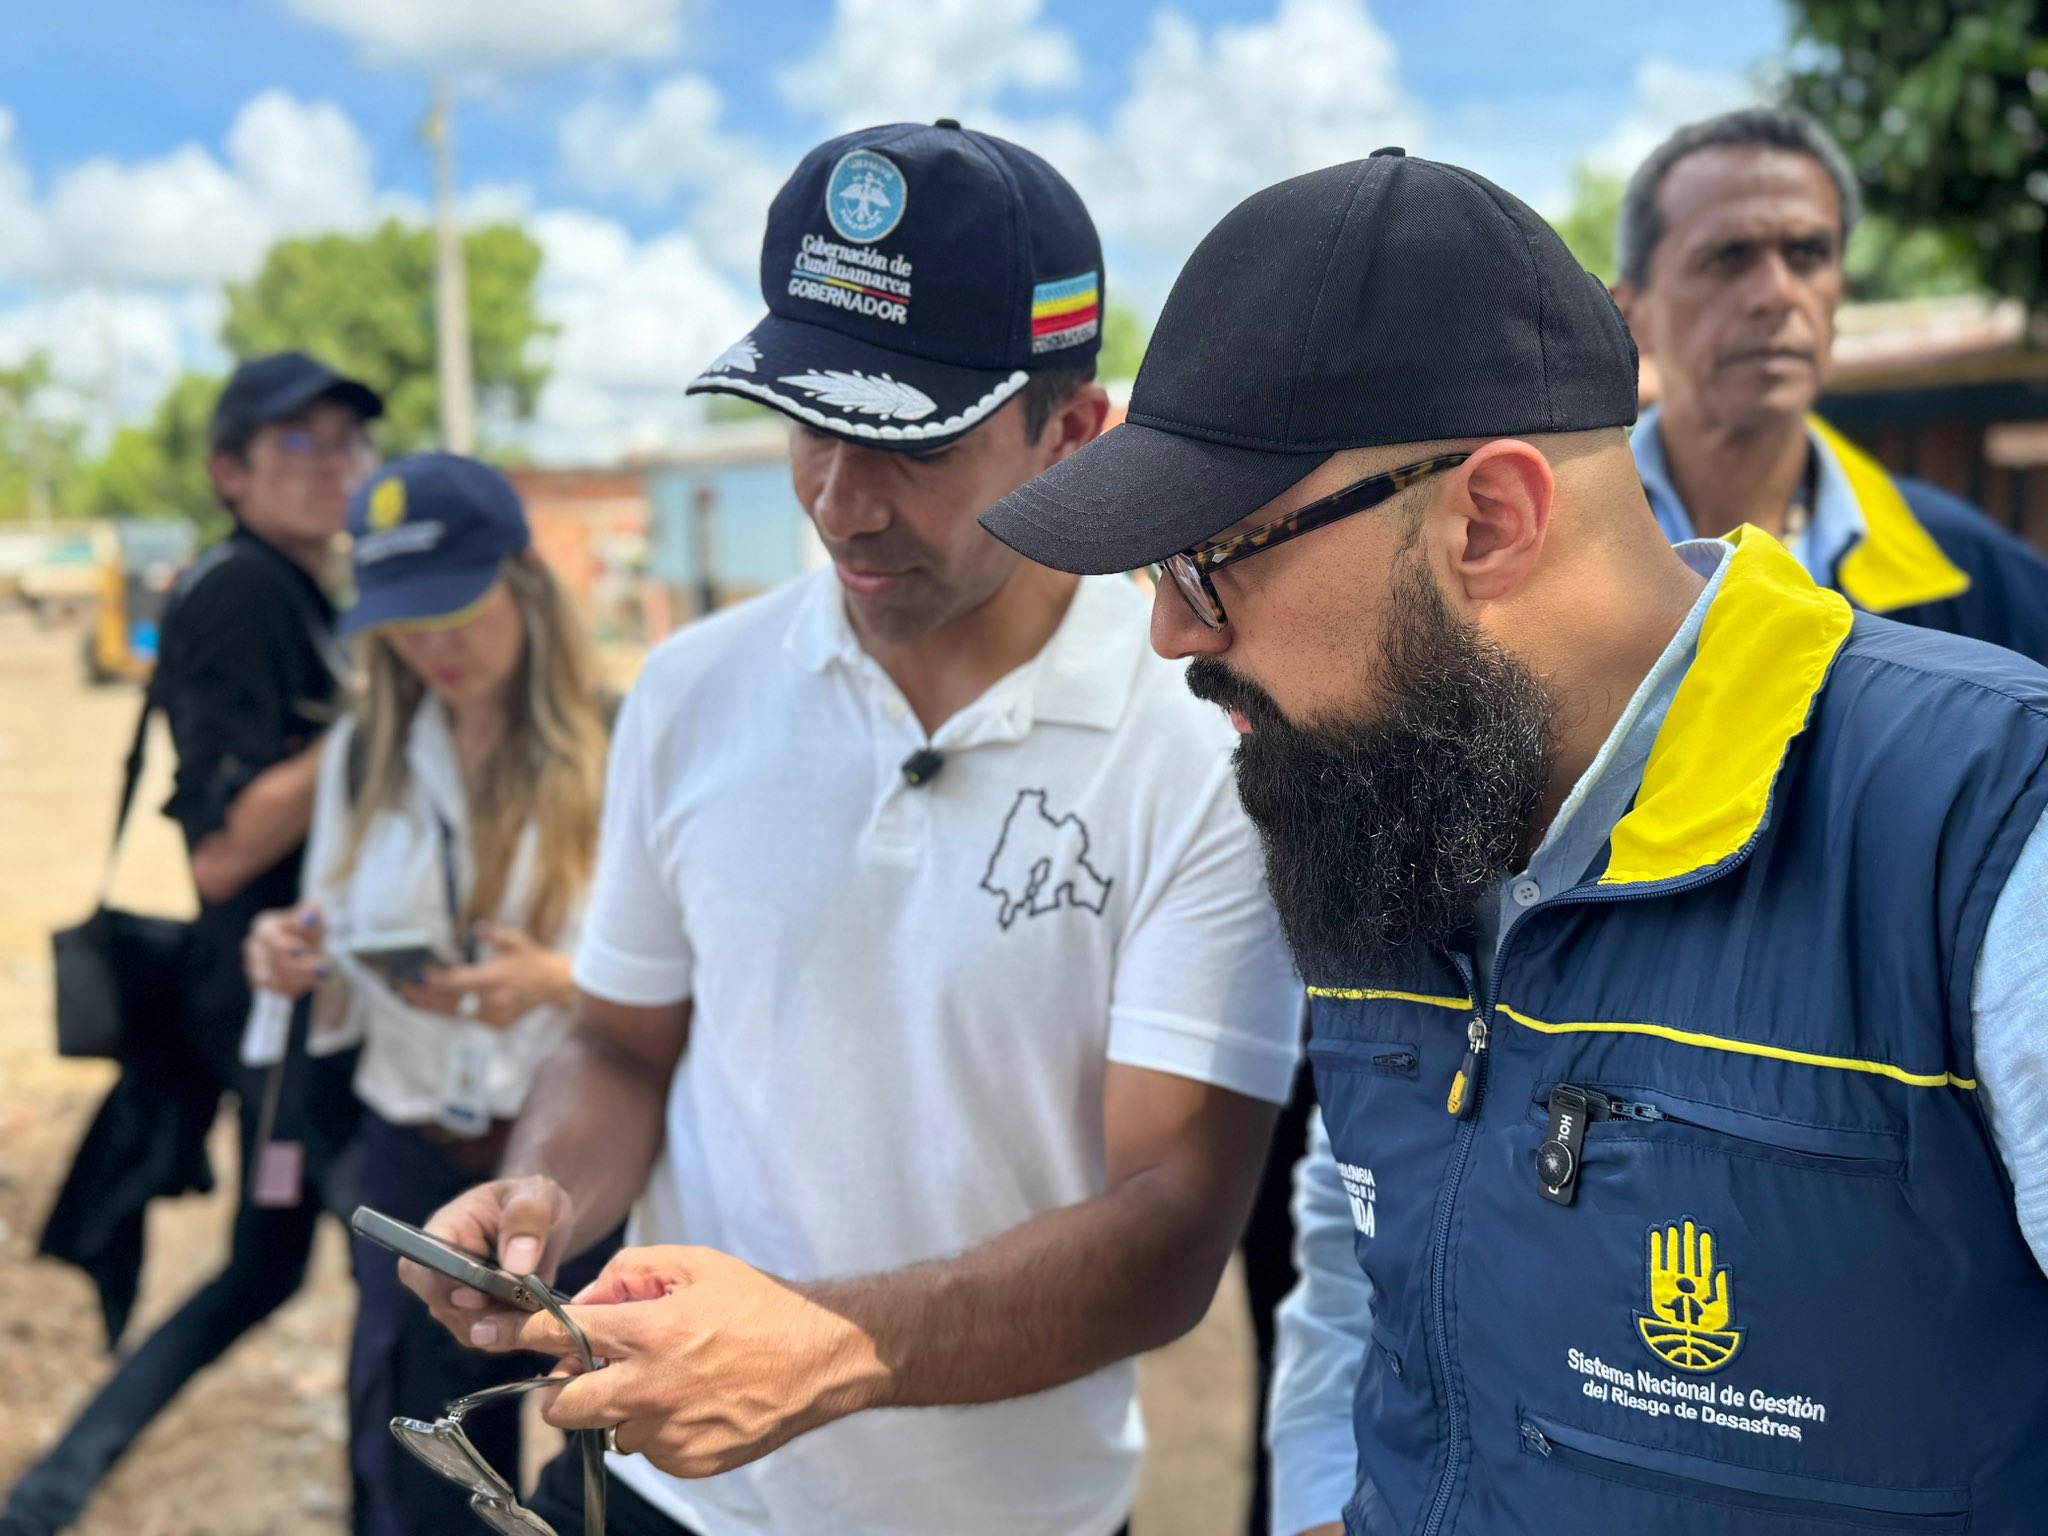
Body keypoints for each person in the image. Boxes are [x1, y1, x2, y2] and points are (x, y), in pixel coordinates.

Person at [978, 147, 2048, 1534]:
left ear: (1488, 521)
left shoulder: (1982, 831)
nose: (1173, 632)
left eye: (1212, 558)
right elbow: (1358, 1267)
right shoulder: (1395, 800)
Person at [400, 119, 1302, 1536]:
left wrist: (818, 1353)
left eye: (912, 444)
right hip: (673, 1500)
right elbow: (622, 1043)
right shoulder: (692, 691)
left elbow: (1172, 1224)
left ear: (1075, 435)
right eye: (809, 423)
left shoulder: (1196, 747)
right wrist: (546, 1197)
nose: (838, 500)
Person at [7, 353, 381, 1536]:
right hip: (270, 1002)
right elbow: (220, 854)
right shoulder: (243, 595)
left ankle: (50, 1492)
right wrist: (384, 717)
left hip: (294, 992)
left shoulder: (301, 588)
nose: (333, 466)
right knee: (397, 1269)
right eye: (298, 444)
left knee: (266, 1268)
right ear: (229, 473)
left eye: (347, 441)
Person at [242, 453, 620, 1535]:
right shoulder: (366, 752)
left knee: (617, 1453)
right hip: (415, 1157)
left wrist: (556, 984)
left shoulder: (624, 739)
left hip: (585, 1158)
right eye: (402, 621)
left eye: (455, 608)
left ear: (525, 582)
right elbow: (330, 928)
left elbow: (685, 974)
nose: (431, 645)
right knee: (420, 1464)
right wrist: (288, 958)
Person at [1613, 105, 2048, 660]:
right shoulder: (1551, 558)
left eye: (1808, 254)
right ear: (1631, 316)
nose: (1777, 293)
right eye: (1728, 256)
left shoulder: (1968, 567)